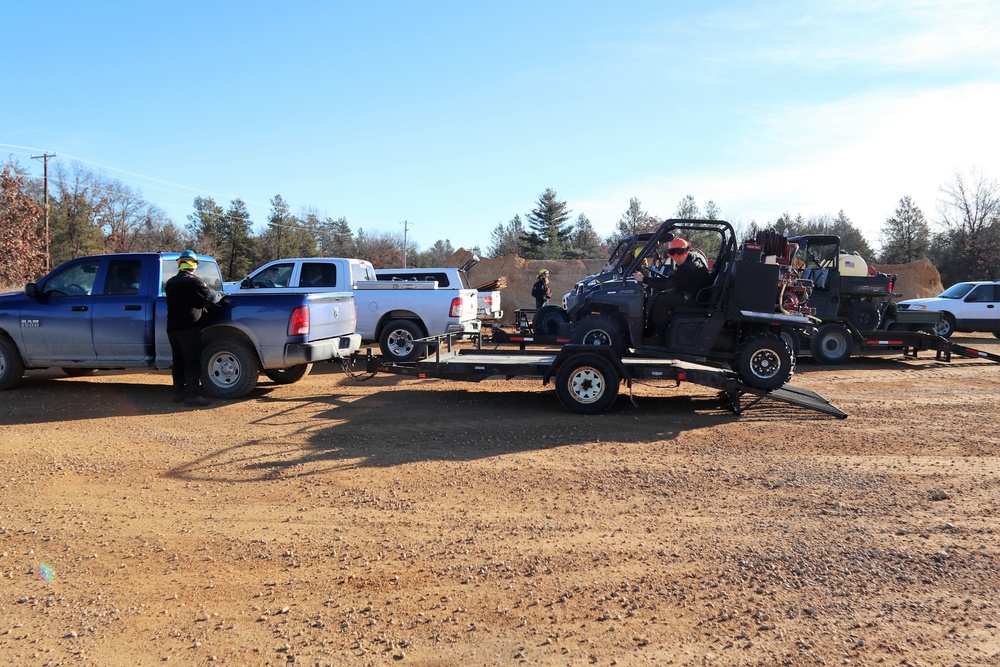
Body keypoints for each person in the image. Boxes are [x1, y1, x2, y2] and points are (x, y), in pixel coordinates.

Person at [165, 250, 223, 407]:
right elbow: (212, 297)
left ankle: (178, 393)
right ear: (194, 265)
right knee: (192, 361)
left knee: (178, 361)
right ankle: (192, 395)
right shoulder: (194, 282)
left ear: (180, 264)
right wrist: (221, 296)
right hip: (188, 328)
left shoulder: (170, 282)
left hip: (172, 329)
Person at [633, 237, 710, 343]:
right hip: (692, 293)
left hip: (695, 299)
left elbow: (668, 284)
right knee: (659, 296)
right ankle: (650, 330)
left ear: (686, 252)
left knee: (661, 301)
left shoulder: (689, 266)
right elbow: (673, 280)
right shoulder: (689, 260)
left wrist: (644, 279)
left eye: (679, 257)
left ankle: (659, 336)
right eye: (674, 258)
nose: (677, 260)